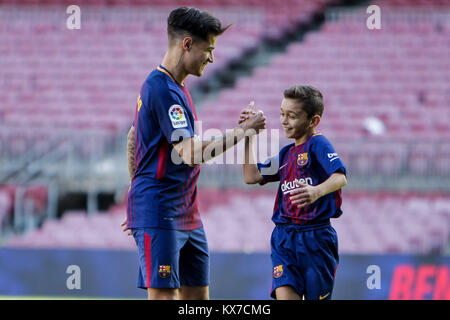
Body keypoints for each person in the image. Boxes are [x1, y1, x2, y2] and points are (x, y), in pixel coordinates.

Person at [121, 7, 266, 300]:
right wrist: (244, 132)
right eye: (208, 49)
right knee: (166, 297)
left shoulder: (177, 88)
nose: (211, 58)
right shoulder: (161, 88)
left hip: (187, 213)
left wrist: (135, 191)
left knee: (198, 298)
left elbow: (133, 137)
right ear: (187, 44)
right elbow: (189, 153)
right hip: (161, 211)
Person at [241, 85, 347, 300]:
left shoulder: (318, 144)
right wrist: (248, 135)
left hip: (316, 239)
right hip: (284, 239)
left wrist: (317, 191)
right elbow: (251, 176)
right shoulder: (286, 155)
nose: (283, 120)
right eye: (282, 114)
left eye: (292, 116)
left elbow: (340, 177)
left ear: (313, 121)